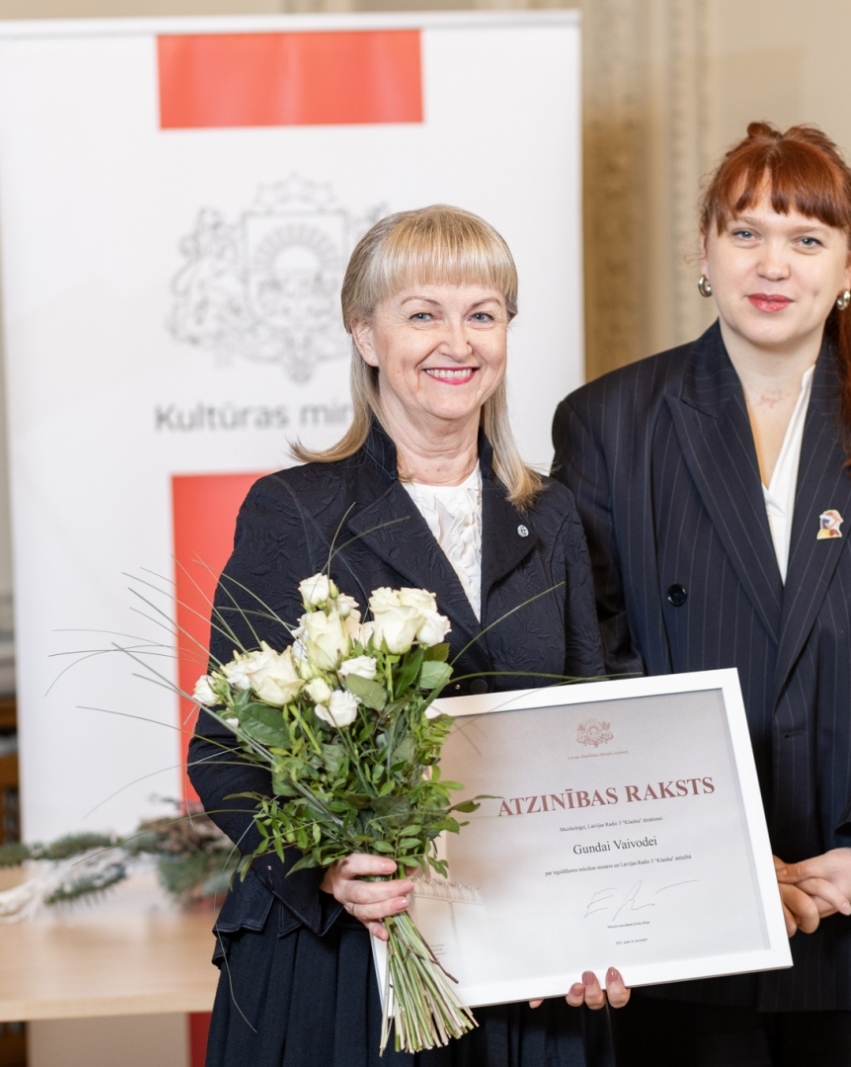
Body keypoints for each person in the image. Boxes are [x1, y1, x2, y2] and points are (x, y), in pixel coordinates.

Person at [552, 123, 851, 1066]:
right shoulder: (610, 422)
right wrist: (722, 855)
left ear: (848, 265)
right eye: (746, 233)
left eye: (807, 239)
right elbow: (597, 652)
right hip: (683, 899)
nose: (775, 264)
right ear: (704, 251)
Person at [189, 204, 629, 1067]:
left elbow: (593, 740)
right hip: (345, 962)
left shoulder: (557, 519)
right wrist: (325, 866)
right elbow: (224, 748)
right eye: (422, 313)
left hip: (525, 966)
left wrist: (605, 908)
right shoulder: (294, 512)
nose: (455, 342)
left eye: (482, 314)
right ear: (365, 335)